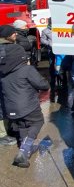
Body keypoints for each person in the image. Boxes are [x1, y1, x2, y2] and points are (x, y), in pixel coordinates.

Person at [0, 35, 50, 168]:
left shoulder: (3, 72)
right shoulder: (26, 69)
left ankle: (26, 150)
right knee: (37, 122)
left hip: (10, 108)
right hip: (28, 106)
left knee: (22, 126)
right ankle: (23, 151)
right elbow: (43, 85)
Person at [0, 25, 19, 146]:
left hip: (5, 83)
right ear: (8, 35)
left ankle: (7, 129)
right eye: (14, 33)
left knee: (5, 105)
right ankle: (1, 136)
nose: (16, 34)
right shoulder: (3, 48)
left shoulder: (8, 46)